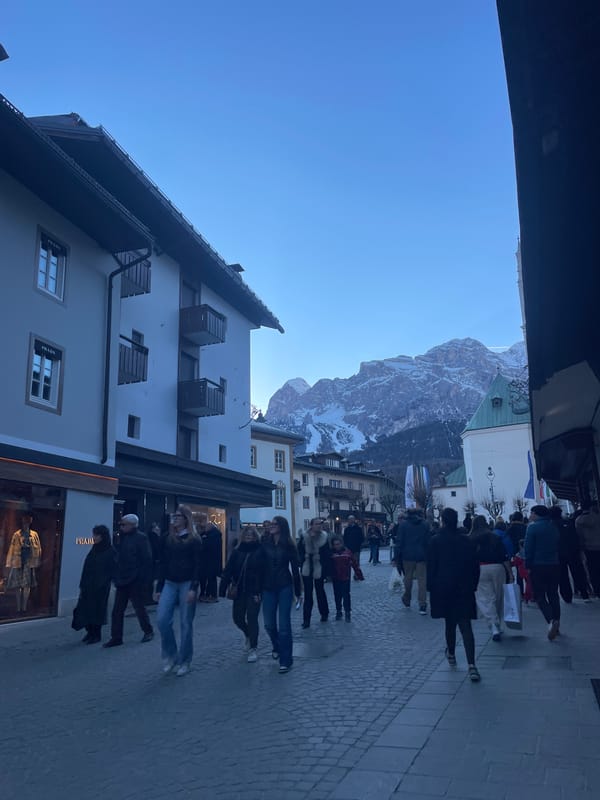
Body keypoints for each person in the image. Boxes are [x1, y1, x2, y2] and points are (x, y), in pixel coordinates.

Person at [427, 507, 481, 682]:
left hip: (443, 587)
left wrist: (430, 587)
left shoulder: (435, 541)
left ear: (442, 520)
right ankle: (472, 665)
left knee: (449, 623)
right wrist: (473, 584)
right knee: (465, 625)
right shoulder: (466, 541)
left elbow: (431, 566)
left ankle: (451, 653)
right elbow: (475, 566)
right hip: (463, 587)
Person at [155, 506, 202, 676]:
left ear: (186, 519)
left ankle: (185, 660)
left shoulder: (194, 540)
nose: (174, 519)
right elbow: (162, 563)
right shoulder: (167, 538)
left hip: (187, 583)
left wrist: (193, 588)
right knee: (162, 619)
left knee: (185, 623)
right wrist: (159, 587)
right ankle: (170, 654)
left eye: (178, 517)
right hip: (169, 582)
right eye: (174, 517)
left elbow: (198, 565)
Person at [103, 514, 154, 648]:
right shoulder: (122, 538)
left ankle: (148, 631)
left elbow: (147, 559)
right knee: (117, 610)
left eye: (124, 524)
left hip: (134, 579)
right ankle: (116, 637)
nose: (121, 526)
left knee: (139, 608)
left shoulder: (141, 538)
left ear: (132, 525)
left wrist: (141, 578)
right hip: (122, 579)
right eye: (121, 524)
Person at [260, 516, 302, 674]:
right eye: (271, 523)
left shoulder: (289, 545)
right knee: (269, 624)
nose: (271, 526)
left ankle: (286, 660)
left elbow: (295, 570)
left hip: (285, 585)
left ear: (281, 526)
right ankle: (277, 646)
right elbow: (259, 566)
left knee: (284, 625)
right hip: (267, 587)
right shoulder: (265, 543)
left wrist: (298, 592)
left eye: (275, 524)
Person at [219, 526, 265, 663]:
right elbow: (228, 570)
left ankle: (253, 648)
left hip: (254, 591)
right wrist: (222, 588)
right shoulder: (237, 551)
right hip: (239, 591)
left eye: (251, 534)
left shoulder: (260, 551)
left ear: (255, 536)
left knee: (252, 618)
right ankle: (248, 635)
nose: (249, 536)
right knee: (237, 618)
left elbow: (263, 572)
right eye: (246, 534)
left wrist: (260, 591)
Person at [470, 519, 512, 641]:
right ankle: (497, 623)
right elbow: (504, 555)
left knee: (484, 598)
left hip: (480, 568)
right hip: (498, 567)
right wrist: (509, 572)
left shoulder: (471, 538)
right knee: (498, 596)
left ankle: (493, 624)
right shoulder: (494, 537)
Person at [73, 525, 116, 644]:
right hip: (88, 585)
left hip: (101, 586)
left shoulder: (110, 551)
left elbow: (112, 569)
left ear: (103, 536)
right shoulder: (94, 549)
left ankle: (96, 634)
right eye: (94, 535)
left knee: (98, 610)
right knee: (86, 608)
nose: (94, 537)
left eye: (96, 535)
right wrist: (83, 584)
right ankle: (89, 632)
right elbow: (87, 567)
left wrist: (104, 582)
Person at [525, 505, 561, 640]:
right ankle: (557, 622)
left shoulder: (532, 528)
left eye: (531, 513)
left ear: (536, 514)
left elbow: (528, 549)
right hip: (554, 564)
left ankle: (551, 621)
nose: (530, 515)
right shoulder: (553, 526)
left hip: (538, 565)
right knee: (553, 594)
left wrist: (528, 565)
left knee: (540, 596)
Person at [550, 505, 589, 603]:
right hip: (572, 552)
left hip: (558, 553)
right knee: (578, 572)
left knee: (562, 576)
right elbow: (576, 536)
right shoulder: (569, 522)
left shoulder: (551, 525)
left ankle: (567, 596)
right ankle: (584, 593)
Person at [5, 512, 42, 614]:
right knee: (18, 586)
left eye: (28, 521)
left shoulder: (34, 535)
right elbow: (12, 549)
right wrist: (9, 563)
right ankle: (18, 607)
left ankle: (24, 607)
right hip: (18, 563)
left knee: (27, 586)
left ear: (30, 522)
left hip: (29, 563)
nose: (26, 524)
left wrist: (37, 562)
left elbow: (38, 549)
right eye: (25, 521)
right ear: (22, 522)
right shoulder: (17, 534)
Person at [396, 507, 430, 614]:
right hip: (421, 555)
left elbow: (399, 542)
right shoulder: (425, 524)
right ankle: (422, 604)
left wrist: (396, 557)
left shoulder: (403, 525)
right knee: (422, 580)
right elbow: (428, 541)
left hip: (407, 555)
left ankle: (407, 598)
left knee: (408, 578)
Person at [298, 518, 331, 627]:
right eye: (316, 524)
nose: (319, 526)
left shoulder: (324, 537)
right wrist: (302, 562)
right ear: (311, 525)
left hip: (319, 566)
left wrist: (326, 569)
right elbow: (299, 551)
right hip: (307, 566)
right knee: (308, 593)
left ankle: (324, 613)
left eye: (320, 524)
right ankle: (306, 619)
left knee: (320, 591)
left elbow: (327, 554)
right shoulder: (304, 536)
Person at [329, 535, 364, 621]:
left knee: (346, 595)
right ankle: (338, 611)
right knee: (337, 595)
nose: (337, 546)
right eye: (335, 544)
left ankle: (347, 612)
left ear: (341, 544)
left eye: (338, 544)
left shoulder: (347, 553)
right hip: (335, 577)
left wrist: (359, 575)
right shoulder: (331, 554)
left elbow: (355, 564)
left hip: (345, 577)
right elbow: (328, 565)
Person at [575, 502, 600, 597]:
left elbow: (579, 535)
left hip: (588, 547)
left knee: (592, 569)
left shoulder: (578, 520)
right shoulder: (597, 518)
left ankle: (597, 589)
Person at [197, 513, 223, 603]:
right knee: (207, 578)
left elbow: (206, 546)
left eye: (205, 526)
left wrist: (203, 538)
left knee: (211, 578)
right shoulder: (210, 534)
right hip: (207, 561)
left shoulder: (213, 535)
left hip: (210, 561)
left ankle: (213, 596)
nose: (203, 528)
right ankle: (207, 594)